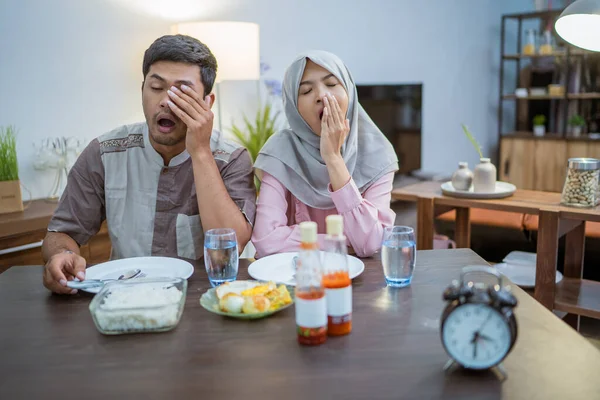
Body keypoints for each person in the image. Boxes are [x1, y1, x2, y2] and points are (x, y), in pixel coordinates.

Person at [42, 35, 256, 294]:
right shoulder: (104, 153)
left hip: (206, 299)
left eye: (183, 91)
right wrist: (62, 255)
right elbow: (62, 233)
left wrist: (200, 151)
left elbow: (232, 244)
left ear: (207, 103)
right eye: (156, 88)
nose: (166, 100)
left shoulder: (230, 158)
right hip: (125, 296)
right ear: (142, 90)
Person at [251, 50, 398, 258]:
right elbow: (266, 241)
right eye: (306, 91)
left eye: (331, 84)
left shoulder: (377, 152)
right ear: (294, 107)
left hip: (358, 282)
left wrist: (333, 158)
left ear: (349, 91)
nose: (322, 95)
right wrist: (341, 242)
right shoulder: (280, 151)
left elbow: (368, 243)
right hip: (295, 278)